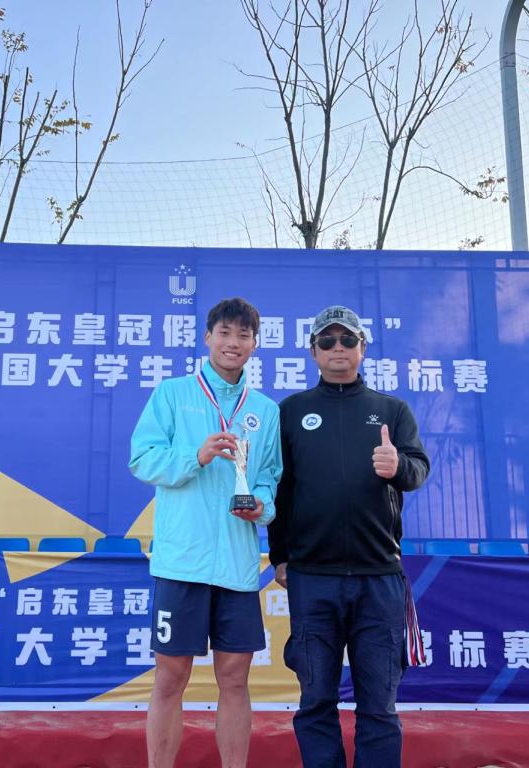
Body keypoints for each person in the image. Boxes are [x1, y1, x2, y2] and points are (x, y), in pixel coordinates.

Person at [269, 304, 429, 768]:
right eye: (327, 341)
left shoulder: (392, 410)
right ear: (313, 352)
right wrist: (280, 556)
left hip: (378, 577)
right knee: (316, 701)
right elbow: (280, 488)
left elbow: (419, 469)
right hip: (312, 578)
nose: (337, 348)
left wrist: (398, 466)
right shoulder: (291, 411)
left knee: (379, 705)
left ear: (362, 348)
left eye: (347, 340)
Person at [129, 297, 283, 768]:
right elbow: (142, 459)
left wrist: (262, 506)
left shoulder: (265, 410)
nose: (233, 343)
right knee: (170, 678)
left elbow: (269, 476)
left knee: (234, 679)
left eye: (243, 335)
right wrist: (195, 456)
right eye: (225, 333)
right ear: (207, 338)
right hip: (182, 562)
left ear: (255, 344)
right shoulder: (173, 394)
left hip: (236, 565)